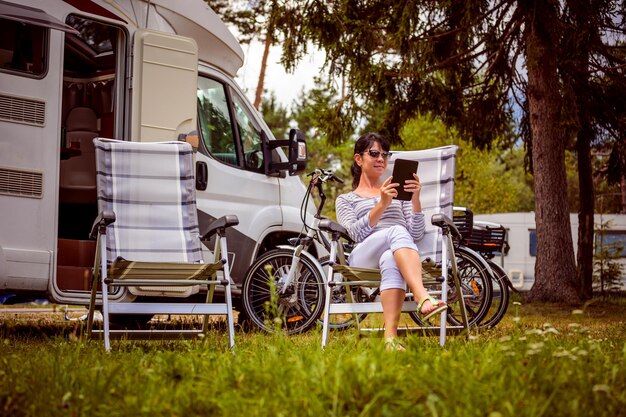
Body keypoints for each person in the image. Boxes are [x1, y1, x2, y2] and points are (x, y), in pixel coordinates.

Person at [335, 132, 447, 351]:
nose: (381, 159)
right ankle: (422, 295)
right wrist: (383, 204)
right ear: (359, 159)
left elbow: (415, 234)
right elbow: (354, 234)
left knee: (391, 257)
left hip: (397, 251)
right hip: (363, 258)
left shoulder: (398, 193)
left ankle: (390, 339)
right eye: (374, 153)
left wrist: (415, 199)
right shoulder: (346, 199)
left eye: (384, 154)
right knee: (396, 230)